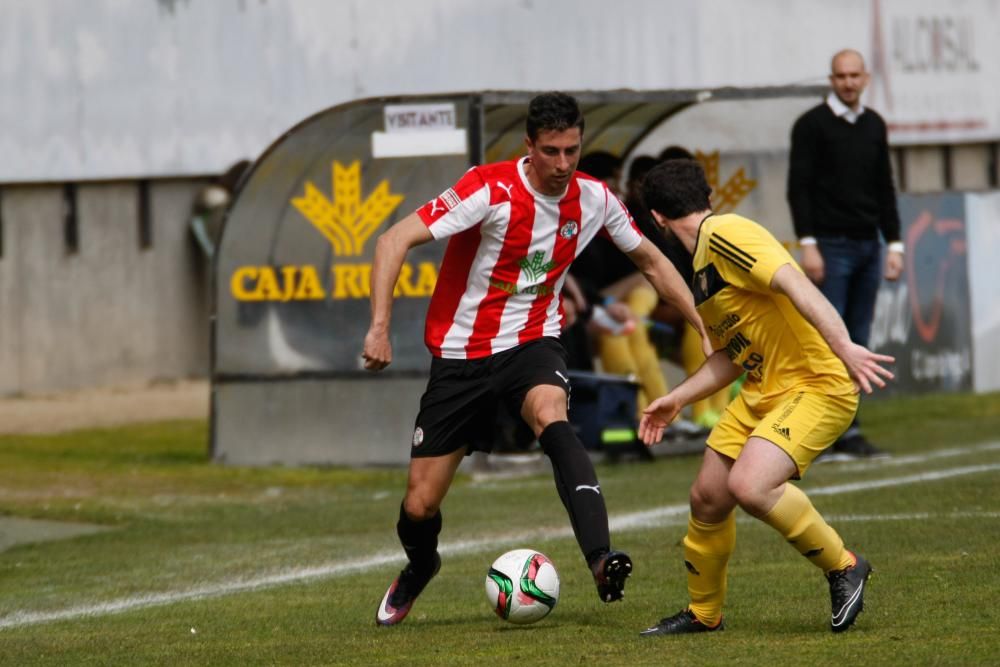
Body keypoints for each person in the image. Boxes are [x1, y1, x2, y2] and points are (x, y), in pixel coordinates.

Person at [363, 92, 708, 626]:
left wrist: (702, 325)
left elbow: (651, 261)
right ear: (529, 146)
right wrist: (380, 328)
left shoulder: (593, 197)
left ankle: (600, 560)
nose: (564, 164)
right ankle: (421, 564)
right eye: (552, 151)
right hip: (461, 356)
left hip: (532, 343)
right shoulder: (488, 188)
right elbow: (392, 241)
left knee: (553, 416)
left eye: (572, 149)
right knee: (419, 506)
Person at [636, 158, 895, 635]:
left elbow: (797, 285)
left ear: (657, 219)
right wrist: (678, 398)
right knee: (707, 498)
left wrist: (845, 349)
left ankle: (845, 565)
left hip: (816, 384)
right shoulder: (701, 269)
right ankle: (704, 613)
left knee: (750, 487)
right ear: (708, 194)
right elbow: (730, 358)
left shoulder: (727, 233)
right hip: (762, 392)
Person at [787, 48, 903, 459]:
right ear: (831, 79)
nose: (848, 82)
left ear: (866, 78)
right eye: (841, 76)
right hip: (830, 246)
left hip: (868, 244)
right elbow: (797, 187)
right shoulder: (811, 125)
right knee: (829, 341)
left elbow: (884, 186)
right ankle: (826, 432)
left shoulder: (874, 125)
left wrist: (894, 243)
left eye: (855, 75)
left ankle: (848, 430)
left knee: (859, 341)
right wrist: (809, 243)